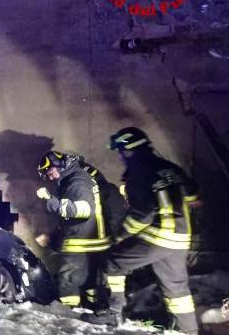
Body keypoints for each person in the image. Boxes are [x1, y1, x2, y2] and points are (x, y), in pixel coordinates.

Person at [89, 127, 201, 334]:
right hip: (180, 238)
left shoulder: (139, 174)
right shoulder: (170, 168)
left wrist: (120, 235)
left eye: (121, 151)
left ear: (129, 150)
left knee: (113, 262)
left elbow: (144, 212)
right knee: (177, 289)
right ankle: (188, 331)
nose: (121, 157)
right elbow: (193, 198)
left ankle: (112, 313)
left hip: (159, 235)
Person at [36, 150, 111, 309]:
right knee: (90, 284)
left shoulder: (77, 181)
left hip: (82, 243)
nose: (49, 177)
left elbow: (85, 210)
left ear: (58, 164)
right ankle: (92, 313)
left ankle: (69, 317)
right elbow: (69, 219)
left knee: (68, 280)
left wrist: (55, 203)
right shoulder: (72, 179)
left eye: (49, 172)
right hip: (90, 241)